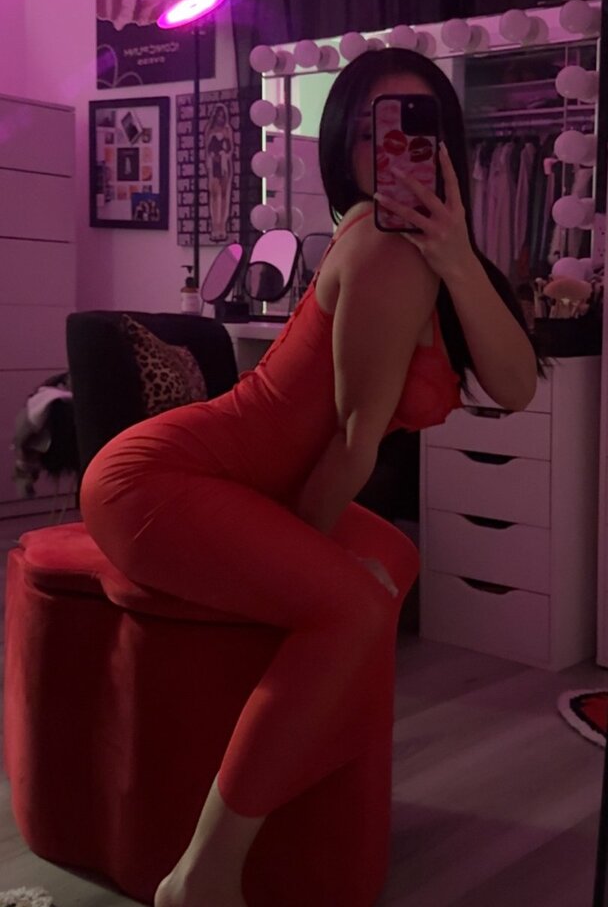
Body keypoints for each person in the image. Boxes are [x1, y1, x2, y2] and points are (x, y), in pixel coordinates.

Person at [80, 46, 544, 907]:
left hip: (238, 481)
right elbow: (354, 446)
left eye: (410, 126)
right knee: (353, 604)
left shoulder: (431, 257)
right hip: (160, 478)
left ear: (444, 142)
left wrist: (455, 255)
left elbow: (516, 386)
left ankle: (304, 777)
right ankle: (203, 875)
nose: (387, 148)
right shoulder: (378, 246)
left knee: (394, 561)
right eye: (368, 128)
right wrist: (322, 571)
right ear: (339, 144)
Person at [204, 102, 234, 242]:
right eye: (218, 116)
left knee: (224, 195)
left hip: (225, 165)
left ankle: (222, 227)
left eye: (222, 116)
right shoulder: (209, 130)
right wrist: (211, 161)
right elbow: (206, 149)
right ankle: (215, 227)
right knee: (215, 195)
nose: (220, 119)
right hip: (213, 165)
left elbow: (231, 148)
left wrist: (224, 156)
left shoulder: (227, 130)